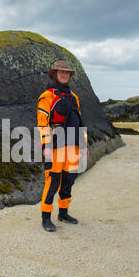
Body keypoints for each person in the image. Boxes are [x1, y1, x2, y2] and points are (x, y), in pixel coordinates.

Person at [37, 60, 89, 232]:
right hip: (55, 145)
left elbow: (79, 122)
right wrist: (45, 146)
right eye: (61, 72)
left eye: (67, 72)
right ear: (55, 74)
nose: (64, 74)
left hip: (73, 145)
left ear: (69, 75)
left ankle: (63, 213)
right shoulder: (47, 97)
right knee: (52, 181)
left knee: (69, 181)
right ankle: (46, 217)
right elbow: (42, 124)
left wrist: (83, 144)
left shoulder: (74, 98)